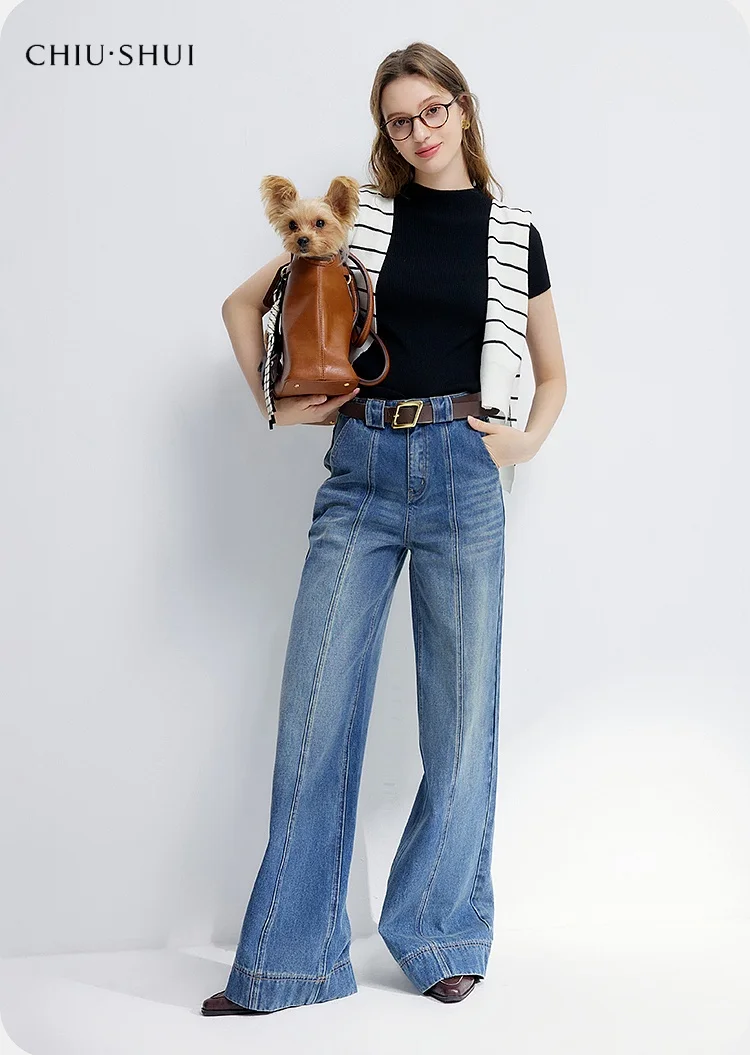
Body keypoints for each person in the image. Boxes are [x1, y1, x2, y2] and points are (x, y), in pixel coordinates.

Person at [202, 41, 566, 1016]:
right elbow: (244, 306)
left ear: (462, 107)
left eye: (432, 110)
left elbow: (553, 370)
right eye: (399, 120)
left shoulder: (512, 231)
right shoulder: (361, 217)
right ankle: (288, 960)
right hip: (361, 470)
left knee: (460, 721)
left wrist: (526, 440)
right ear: (387, 132)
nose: (418, 132)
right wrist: (278, 406)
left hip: (464, 471)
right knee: (314, 712)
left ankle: (441, 932)